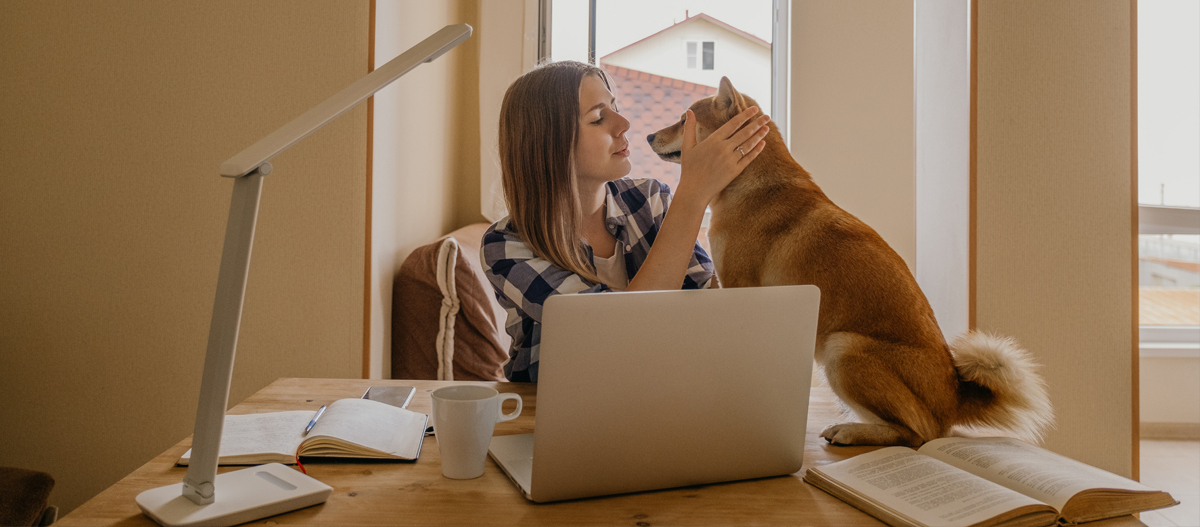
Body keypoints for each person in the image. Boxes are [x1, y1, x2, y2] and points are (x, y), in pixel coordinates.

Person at [481, 60, 770, 382]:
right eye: (598, 118)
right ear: (549, 142)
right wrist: (692, 196)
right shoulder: (507, 246)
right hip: (556, 410)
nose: (624, 124)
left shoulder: (650, 199)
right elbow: (620, 334)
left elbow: (706, 311)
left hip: (661, 395)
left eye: (615, 107)